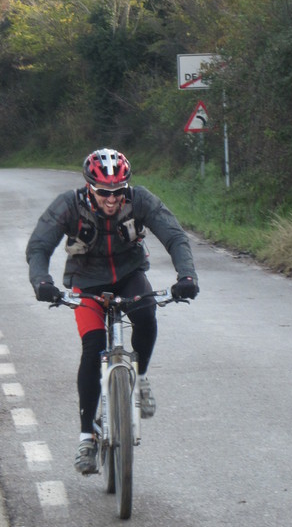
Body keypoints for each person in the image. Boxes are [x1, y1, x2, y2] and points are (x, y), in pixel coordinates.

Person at [26, 148, 199, 474]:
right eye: (103, 192)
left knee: (146, 314)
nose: (111, 199)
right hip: (86, 281)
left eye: (118, 191)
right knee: (93, 347)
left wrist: (187, 276)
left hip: (129, 274)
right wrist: (42, 282)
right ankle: (86, 438)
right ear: (89, 187)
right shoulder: (69, 205)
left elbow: (175, 236)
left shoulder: (140, 200)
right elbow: (39, 246)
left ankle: (140, 378)